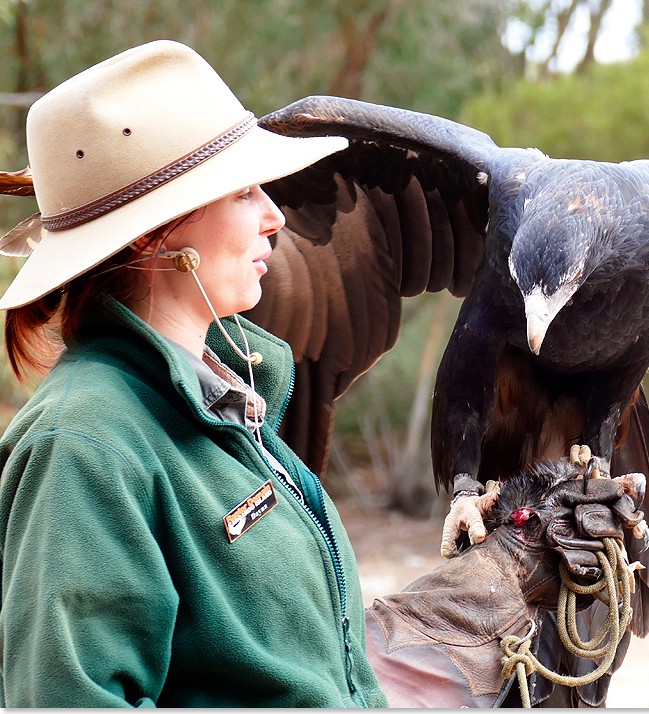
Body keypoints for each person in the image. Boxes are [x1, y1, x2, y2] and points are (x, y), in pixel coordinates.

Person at [0, 39, 388, 707]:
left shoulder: (224, 406)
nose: (274, 217)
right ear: (155, 234)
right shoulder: (84, 446)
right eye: (243, 191)